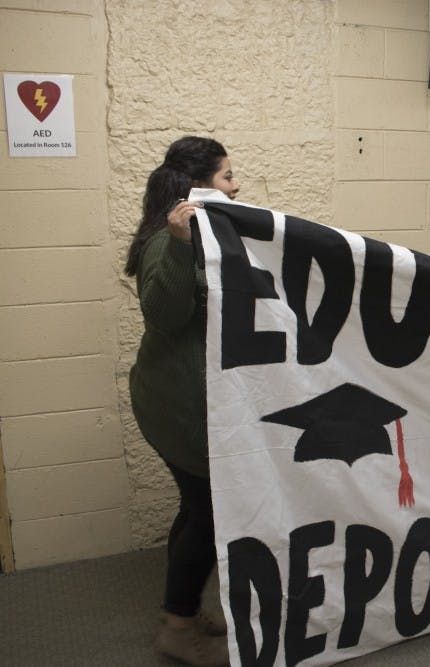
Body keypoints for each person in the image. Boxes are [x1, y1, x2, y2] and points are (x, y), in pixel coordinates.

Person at [125, 136, 239, 666]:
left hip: (181, 399)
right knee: (208, 514)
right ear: (198, 189)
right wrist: (175, 241)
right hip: (179, 409)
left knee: (196, 509)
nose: (237, 186)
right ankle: (176, 629)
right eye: (227, 177)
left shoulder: (209, 237)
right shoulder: (166, 243)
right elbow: (166, 314)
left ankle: (184, 609)